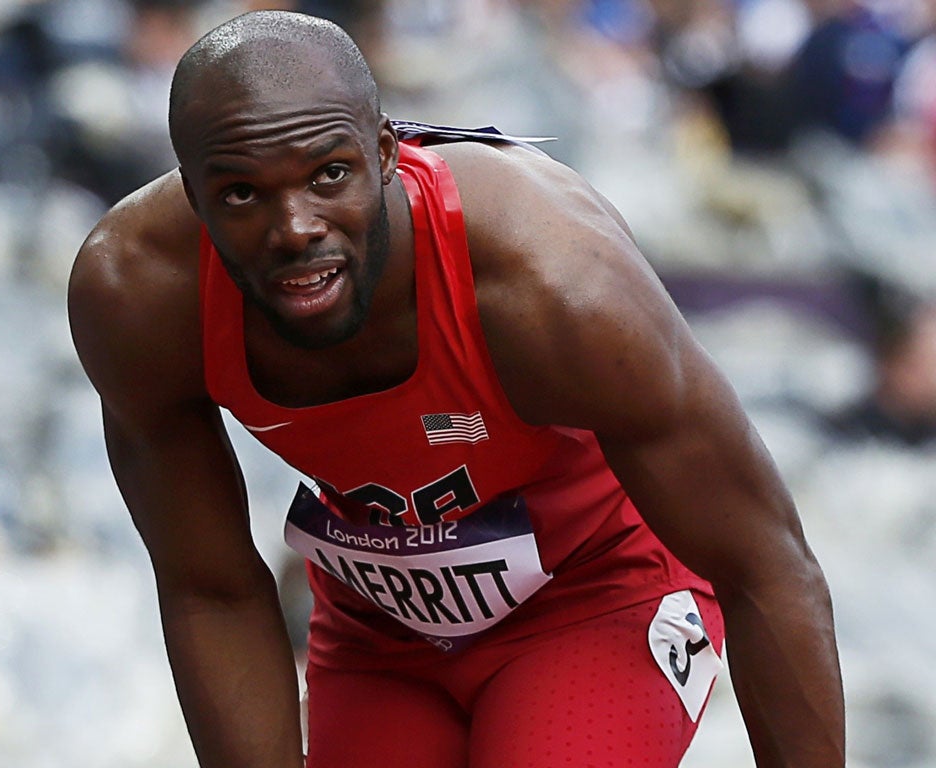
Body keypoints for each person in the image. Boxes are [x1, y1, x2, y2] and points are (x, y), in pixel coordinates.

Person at [67, 10, 844, 768]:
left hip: (598, 593)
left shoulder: (553, 284)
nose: (296, 228)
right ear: (193, 197)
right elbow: (211, 589)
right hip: (381, 625)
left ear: (386, 153)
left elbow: (768, 564)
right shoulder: (138, 294)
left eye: (329, 174)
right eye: (241, 195)